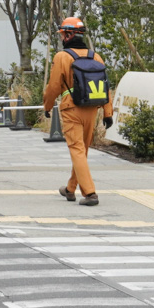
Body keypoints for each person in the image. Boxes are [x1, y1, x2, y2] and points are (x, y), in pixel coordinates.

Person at [42, 16, 112, 207]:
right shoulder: (95, 57)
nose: (63, 37)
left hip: (71, 108)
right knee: (82, 150)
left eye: (64, 33)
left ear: (70, 34)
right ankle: (70, 188)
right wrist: (108, 112)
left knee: (77, 149)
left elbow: (54, 86)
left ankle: (90, 193)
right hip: (92, 109)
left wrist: (47, 106)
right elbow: (106, 86)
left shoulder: (62, 57)